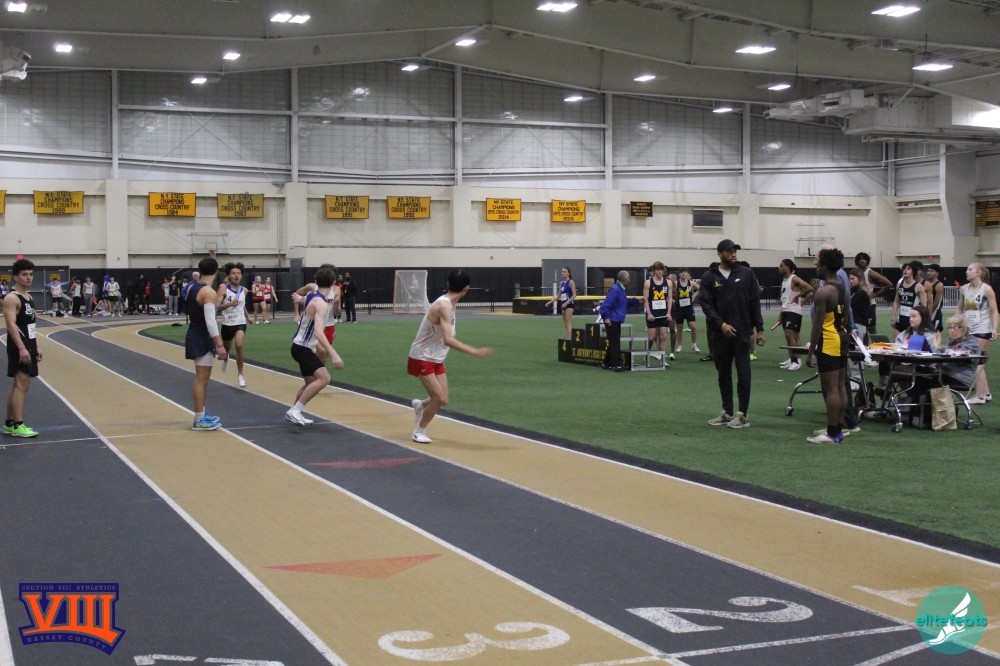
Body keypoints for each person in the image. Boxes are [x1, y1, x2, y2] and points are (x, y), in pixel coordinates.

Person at [408, 269, 492, 443]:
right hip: (422, 356)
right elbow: (448, 339)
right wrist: (474, 351)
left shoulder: (451, 303)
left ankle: (420, 406)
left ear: (448, 284)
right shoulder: (444, 306)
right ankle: (419, 431)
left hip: (436, 357)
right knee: (438, 398)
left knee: (443, 399)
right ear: (467, 288)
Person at [699, 240, 765, 428]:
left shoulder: (746, 273)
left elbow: (754, 302)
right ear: (719, 254)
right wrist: (721, 325)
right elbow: (706, 305)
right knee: (723, 374)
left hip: (742, 332)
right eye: (729, 251)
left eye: (735, 250)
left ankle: (742, 414)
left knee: (744, 373)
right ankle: (727, 412)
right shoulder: (709, 277)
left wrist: (760, 329)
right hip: (719, 334)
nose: (734, 254)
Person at [286, 266, 344, 426]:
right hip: (302, 348)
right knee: (324, 378)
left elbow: (306, 299)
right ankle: (295, 411)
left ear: (316, 281)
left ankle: (294, 411)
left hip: (300, 347)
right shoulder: (322, 304)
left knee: (311, 383)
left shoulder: (313, 295)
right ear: (333, 283)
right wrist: (334, 354)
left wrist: (299, 299)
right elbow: (318, 332)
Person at [807, 248, 850, 444]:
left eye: (818, 264)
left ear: (825, 266)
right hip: (842, 338)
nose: (816, 266)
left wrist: (811, 352)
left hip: (829, 341)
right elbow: (845, 318)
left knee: (831, 388)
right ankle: (839, 430)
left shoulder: (824, 292)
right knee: (840, 386)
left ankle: (832, 433)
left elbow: (817, 325)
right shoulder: (843, 289)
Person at [185, 259, 227, 431]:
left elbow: (204, 310)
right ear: (216, 272)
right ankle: (199, 419)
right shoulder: (208, 292)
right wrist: (219, 344)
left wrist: (220, 296)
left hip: (196, 332)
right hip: (202, 336)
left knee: (203, 378)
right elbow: (210, 320)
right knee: (201, 379)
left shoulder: (192, 287)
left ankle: (201, 412)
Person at [4, 259, 41, 438]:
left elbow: (30, 324)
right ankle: (18, 425)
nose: (28, 278)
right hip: (19, 345)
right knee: (22, 384)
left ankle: (9, 424)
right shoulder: (12, 298)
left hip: (29, 344)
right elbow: (11, 324)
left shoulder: (29, 297)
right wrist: (21, 348)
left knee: (17, 384)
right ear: (16, 277)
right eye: (24, 275)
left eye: (31, 274)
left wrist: (36, 345)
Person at [957, 262, 998, 404]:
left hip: (982, 329)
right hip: (968, 329)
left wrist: (994, 328)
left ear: (978, 273)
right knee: (977, 361)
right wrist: (957, 323)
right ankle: (986, 393)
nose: (966, 272)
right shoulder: (963, 289)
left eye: (970, 269)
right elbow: (960, 308)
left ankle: (980, 396)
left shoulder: (987, 289)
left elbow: (994, 311)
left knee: (976, 361)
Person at [293, 264, 342, 371]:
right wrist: (296, 314)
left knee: (323, 356)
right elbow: (297, 295)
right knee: (322, 351)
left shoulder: (336, 290)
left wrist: (337, 304)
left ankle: (315, 374)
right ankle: (318, 375)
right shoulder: (313, 287)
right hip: (314, 325)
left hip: (329, 325)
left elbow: (338, 313)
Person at [217, 261, 250, 389]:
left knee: (239, 345)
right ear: (229, 276)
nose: (236, 275)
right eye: (233, 273)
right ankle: (226, 358)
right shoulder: (223, 289)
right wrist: (230, 304)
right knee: (226, 349)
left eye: (238, 273)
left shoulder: (244, 290)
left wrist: (248, 317)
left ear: (241, 275)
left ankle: (240, 374)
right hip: (227, 323)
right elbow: (217, 307)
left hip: (240, 322)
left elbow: (242, 306)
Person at [777, 259, 813, 370]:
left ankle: (796, 361)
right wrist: (781, 314)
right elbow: (785, 299)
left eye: (781, 266)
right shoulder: (784, 280)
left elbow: (810, 288)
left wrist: (799, 296)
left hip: (793, 311)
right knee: (791, 336)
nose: (779, 268)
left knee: (790, 335)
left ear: (788, 267)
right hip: (786, 310)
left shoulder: (794, 278)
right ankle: (792, 358)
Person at [599, 270, 630, 371]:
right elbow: (605, 305)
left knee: (613, 342)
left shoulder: (620, 289)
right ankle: (618, 365)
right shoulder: (616, 289)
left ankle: (607, 363)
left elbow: (625, 302)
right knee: (615, 343)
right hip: (612, 320)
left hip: (615, 319)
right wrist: (607, 318)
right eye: (628, 278)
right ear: (624, 279)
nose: (629, 280)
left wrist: (637, 301)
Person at [854, 253, 892, 335]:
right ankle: (864, 344)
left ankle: (876, 343)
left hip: (869, 304)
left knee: (871, 329)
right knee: (861, 330)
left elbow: (889, 284)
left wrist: (876, 294)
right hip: (857, 304)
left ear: (867, 261)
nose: (862, 261)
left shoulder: (870, 273)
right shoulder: (854, 273)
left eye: (864, 259)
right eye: (860, 259)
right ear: (857, 261)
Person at [642, 262, 672, 361]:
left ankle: (663, 359)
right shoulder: (648, 283)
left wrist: (669, 312)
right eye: (657, 270)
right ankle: (646, 353)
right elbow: (645, 299)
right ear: (654, 271)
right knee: (652, 337)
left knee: (663, 336)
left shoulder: (668, 283)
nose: (659, 272)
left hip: (663, 313)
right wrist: (649, 313)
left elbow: (670, 298)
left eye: (661, 270)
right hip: (652, 313)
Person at [890, 262, 927, 334]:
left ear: (913, 272)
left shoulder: (918, 286)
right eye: (904, 268)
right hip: (901, 318)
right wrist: (893, 317)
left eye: (908, 269)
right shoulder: (899, 284)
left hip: (912, 319)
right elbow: (896, 302)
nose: (905, 270)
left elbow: (924, 306)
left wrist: (922, 320)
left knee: (911, 340)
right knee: (896, 339)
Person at [673, 267, 701, 355]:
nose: (683, 274)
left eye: (685, 272)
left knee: (693, 326)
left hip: (689, 308)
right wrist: (673, 299)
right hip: (679, 308)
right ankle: (680, 346)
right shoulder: (675, 283)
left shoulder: (691, 283)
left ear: (687, 273)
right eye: (682, 272)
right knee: (679, 328)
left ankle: (694, 345)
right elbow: (670, 293)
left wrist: (694, 296)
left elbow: (700, 289)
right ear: (679, 274)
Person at [544, 266, 577, 340]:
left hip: (569, 304)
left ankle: (569, 339)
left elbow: (574, 295)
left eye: (565, 272)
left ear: (568, 273)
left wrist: (566, 303)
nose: (563, 273)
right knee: (565, 323)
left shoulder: (571, 282)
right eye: (562, 272)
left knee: (568, 322)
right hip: (563, 305)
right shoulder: (561, 283)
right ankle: (568, 337)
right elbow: (558, 296)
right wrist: (550, 302)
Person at [848, 268, 872, 342]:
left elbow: (850, 307)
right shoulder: (853, 291)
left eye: (853, 279)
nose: (850, 281)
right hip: (855, 324)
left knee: (856, 347)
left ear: (860, 279)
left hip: (858, 325)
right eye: (850, 279)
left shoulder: (862, 293)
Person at [924, 263, 945, 333]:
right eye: (928, 271)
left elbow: (936, 303)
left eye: (931, 271)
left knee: (935, 334)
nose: (929, 273)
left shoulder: (939, 285)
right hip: (926, 311)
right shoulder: (926, 283)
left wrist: (927, 314)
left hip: (935, 313)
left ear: (937, 273)